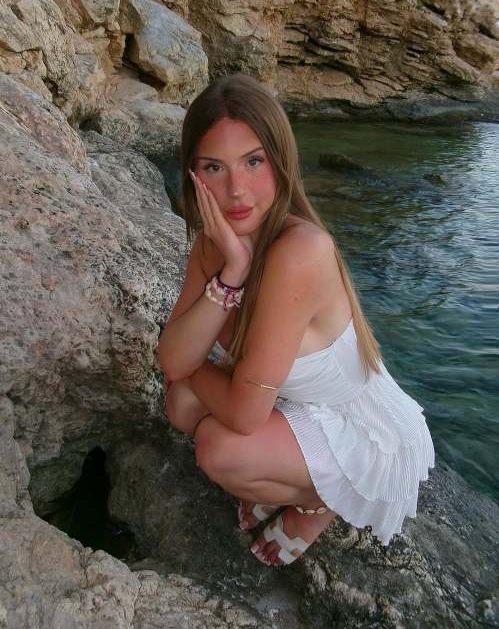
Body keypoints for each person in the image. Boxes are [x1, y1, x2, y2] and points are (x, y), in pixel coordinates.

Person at [157, 73, 435, 567]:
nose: (236, 191)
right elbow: (172, 362)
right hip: (286, 400)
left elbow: (233, 406)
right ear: (193, 174)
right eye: (214, 167)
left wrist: (192, 364)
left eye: (254, 161)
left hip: (358, 427)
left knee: (218, 448)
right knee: (180, 404)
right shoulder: (214, 245)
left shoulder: (301, 251)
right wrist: (232, 272)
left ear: (281, 160)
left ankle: (319, 502)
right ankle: (290, 473)